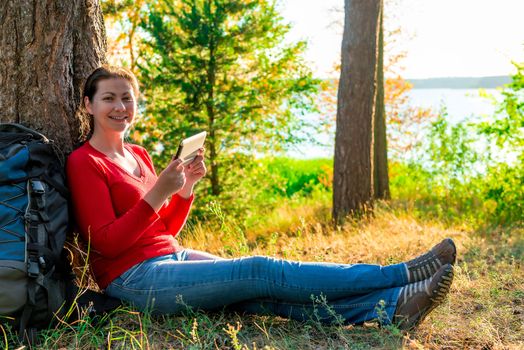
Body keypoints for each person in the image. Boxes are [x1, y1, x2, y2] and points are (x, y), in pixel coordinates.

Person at [67, 65, 456, 330]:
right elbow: (106, 243)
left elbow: (163, 231)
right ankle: (400, 274)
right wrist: (158, 193)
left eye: (127, 99)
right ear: (89, 105)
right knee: (260, 270)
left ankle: (392, 307)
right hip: (134, 279)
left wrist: (184, 190)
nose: (120, 107)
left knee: (259, 294)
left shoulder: (138, 154)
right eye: (108, 99)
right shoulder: (85, 162)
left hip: (171, 257)